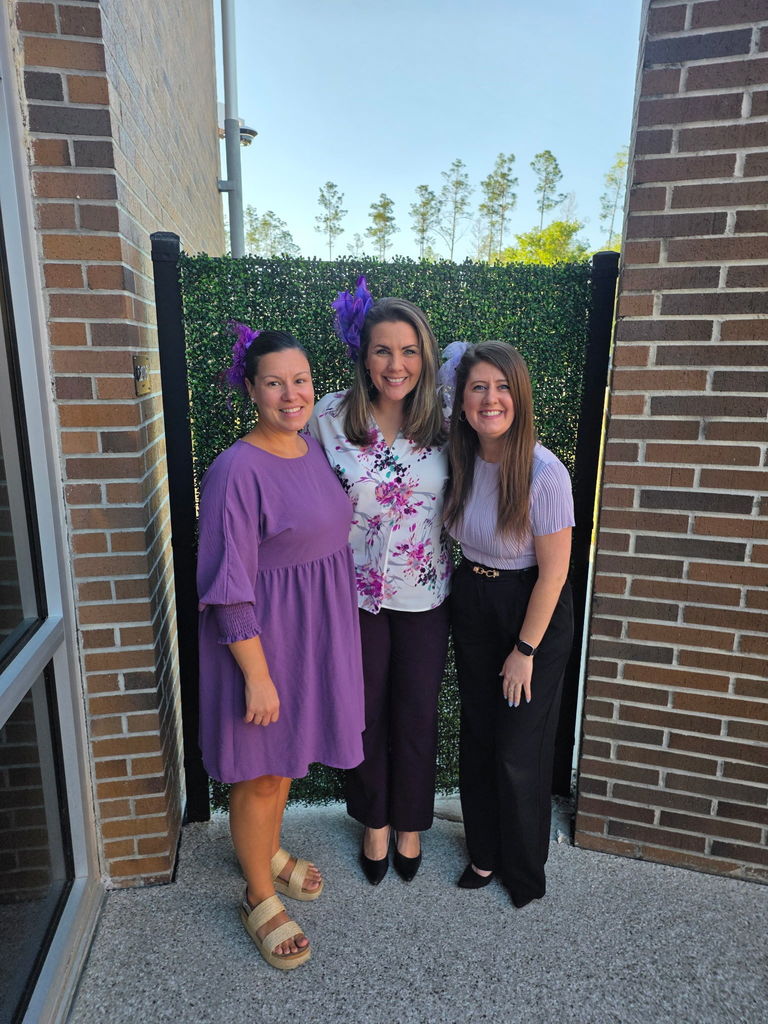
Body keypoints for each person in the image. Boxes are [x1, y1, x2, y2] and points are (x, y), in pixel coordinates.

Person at [196, 324, 364, 969]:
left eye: (300, 379)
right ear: (251, 388)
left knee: (284, 762)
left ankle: (265, 850)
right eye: (274, 382)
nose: (290, 393)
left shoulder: (308, 447)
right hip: (263, 644)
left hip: (310, 636)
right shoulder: (236, 470)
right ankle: (258, 894)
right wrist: (257, 678)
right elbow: (230, 587)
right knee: (260, 772)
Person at [309, 278, 451, 885]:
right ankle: (372, 820)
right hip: (352, 594)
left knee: (417, 710)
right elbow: (295, 488)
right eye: (384, 350)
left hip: (426, 592)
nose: (398, 364)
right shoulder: (328, 418)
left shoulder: (447, 419)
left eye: (410, 350)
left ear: (425, 355)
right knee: (362, 710)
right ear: (364, 356)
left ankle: (411, 822)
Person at [443, 340, 574, 909]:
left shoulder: (544, 473)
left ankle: (524, 870)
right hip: (472, 596)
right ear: (463, 401)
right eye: (478, 388)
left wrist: (524, 649)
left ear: (518, 397)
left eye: (502, 387)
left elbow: (554, 574)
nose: (490, 399)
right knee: (478, 736)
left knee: (518, 747)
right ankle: (484, 852)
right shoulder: (460, 460)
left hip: (530, 611)